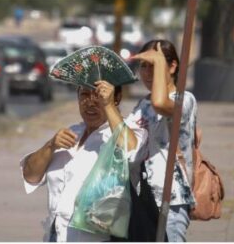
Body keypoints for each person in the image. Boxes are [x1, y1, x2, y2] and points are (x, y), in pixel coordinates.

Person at [20, 81, 146, 242]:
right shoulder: (72, 133)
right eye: (85, 95)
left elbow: (132, 152)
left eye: (99, 96)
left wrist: (108, 105)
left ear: (117, 98)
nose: (91, 103)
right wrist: (50, 146)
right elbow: (30, 175)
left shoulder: (127, 133)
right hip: (56, 235)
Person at [126, 39, 197, 242]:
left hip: (171, 200)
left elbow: (161, 103)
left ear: (172, 66)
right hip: (141, 199)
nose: (147, 73)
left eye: (154, 66)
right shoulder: (142, 104)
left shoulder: (184, 99)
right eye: (144, 66)